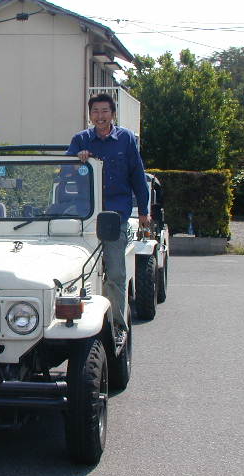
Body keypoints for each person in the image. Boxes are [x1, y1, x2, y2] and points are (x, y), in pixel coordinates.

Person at [66, 93, 150, 332]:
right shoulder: (80, 139)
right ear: (89, 115)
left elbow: (137, 176)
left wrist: (143, 211)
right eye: (95, 111)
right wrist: (77, 160)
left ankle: (115, 326)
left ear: (113, 114)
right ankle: (78, 321)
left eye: (105, 111)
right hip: (84, 216)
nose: (100, 116)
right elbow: (64, 174)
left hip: (116, 215)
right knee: (79, 271)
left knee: (115, 272)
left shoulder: (126, 139)